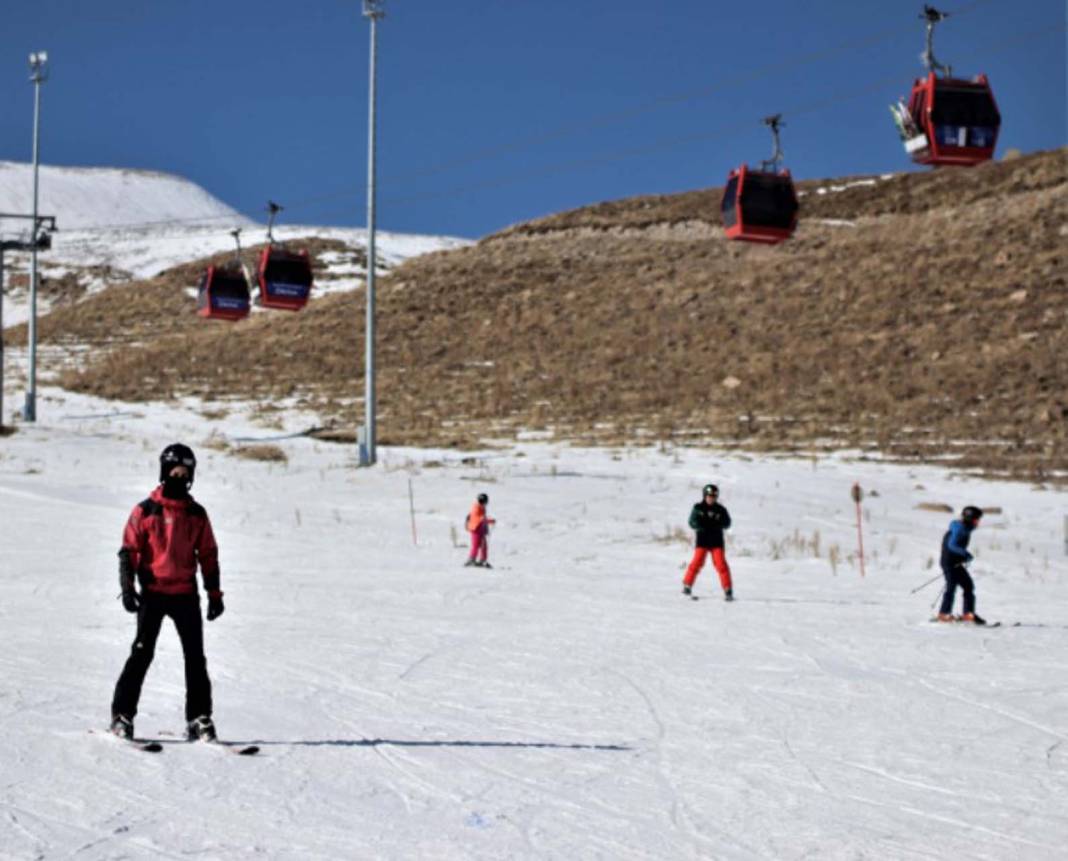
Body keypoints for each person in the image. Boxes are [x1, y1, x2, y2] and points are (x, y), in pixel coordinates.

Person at [110, 444, 226, 742]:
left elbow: (208, 554)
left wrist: (214, 594)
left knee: (195, 658)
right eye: (175, 471)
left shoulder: (196, 514)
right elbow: (129, 550)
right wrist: (128, 588)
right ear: (164, 472)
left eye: (186, 473)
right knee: (141, 653)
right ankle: (122, 716)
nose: (180, 476)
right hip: (153, 593)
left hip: (185, 594)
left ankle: (199, 718)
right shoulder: (146, 510)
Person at [683, 484, 734, 601]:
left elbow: (728, 523)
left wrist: (720, 523)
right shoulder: (698, 508)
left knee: (721, 564)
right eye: (709, 496)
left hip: (717, 541)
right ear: (705, 496)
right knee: (697, 562)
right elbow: (691, 522)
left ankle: (728, 589)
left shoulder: (721, 510)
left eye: (714, 496)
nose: (711, 498)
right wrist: (699, 526)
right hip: (703, 540)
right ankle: (687, 585)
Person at [937, 505, 986, 624]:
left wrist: (961, 557)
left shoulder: (963, 528)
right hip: (949, 562)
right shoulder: (959, 528)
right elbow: (952, 545)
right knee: (951, 586)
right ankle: (944, 614)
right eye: (976, 520)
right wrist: (966, 554)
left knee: (968, 586)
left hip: (955, 562)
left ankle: (968, 615)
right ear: (969, 519)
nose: (978, 522)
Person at [464, 492, 496, 569]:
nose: (485, 504)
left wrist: (488, 521)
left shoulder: (481, 507)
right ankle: (471, 559)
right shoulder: (476, 508)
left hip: (481, 530)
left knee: (484, 546)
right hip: (475, 530)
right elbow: (480, 519)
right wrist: (490, 520)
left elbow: (483, 519)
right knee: (476, 545)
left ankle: (483, 560)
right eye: (485, 502)